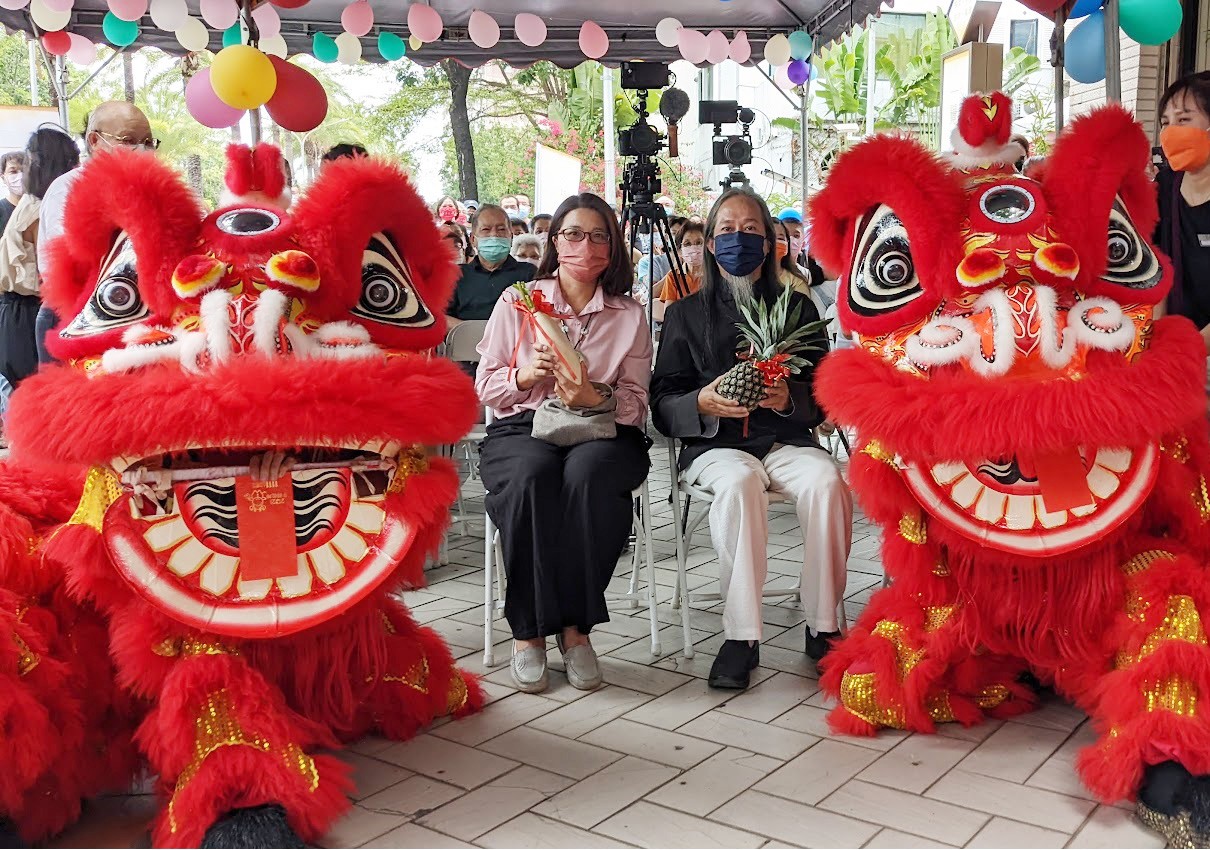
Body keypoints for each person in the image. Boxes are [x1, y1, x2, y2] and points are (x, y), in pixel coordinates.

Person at [650, 188, 852, 690]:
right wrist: (700, 402)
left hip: (784, 440)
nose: (738, 239)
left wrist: (788, 399)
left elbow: (823, 395)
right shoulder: (683, 315)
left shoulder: (798, 309)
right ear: (712, 243)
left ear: (769, 244)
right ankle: (742, 636)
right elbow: (662, 403)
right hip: (715, 447)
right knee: (739, 485)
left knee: (828, 481)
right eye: (726, 230)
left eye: (751, 231)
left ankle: (824, 624)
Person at [476, 192, 652, 694]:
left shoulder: (628, 314)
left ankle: (576, 630)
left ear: (613, 248)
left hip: (601, 429)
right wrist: (526, 375)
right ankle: (529, 632)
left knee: (589, 475)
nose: (587, 246)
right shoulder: (520, 299)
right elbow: (485, 386)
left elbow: (639, 402)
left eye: (599, 236)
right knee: (530, 476)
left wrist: (597, 394)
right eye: (574, 234)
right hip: (524, 424)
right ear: (555, 242)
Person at [37, 101, 154, 365]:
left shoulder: (147, 192)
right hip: (72, 318)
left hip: (128, 316)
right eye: (129, 139)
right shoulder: (67, 189)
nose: (142, 150)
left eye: (148, 142)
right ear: (94, 141)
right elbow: (71, 263)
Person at [0, 126, 79, 386]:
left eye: (29, 160)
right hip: (26, 309)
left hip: (29, 308)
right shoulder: (38, 204)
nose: (24, 170)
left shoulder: (39, 203)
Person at [1156, 71, 1210, 372]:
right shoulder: (1165, 187)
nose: (1171, 132)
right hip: (1178, 355)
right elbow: (1156, 267)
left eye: (1184, 119)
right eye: (1165, 123)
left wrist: (1189, 352)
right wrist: (1156, 342)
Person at [446, 203, 535, 328]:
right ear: (473, 239)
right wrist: (481, 333)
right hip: (467, 343)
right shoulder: (455, 275)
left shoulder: (528, 273)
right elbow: (441, 318)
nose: (494, 235)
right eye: (486, 230)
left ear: (511, 236)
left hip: (515, 344)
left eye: (501, 229)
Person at [653, 220, 705, 322]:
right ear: (680, 251)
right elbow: (670, 314)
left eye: (699, 243)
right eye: (687, 244)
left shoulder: (716, 275)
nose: (693, 248)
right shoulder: (673, 277)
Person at [0, 151, 28, 236]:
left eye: (24, 170)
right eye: (13, 172)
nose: (20, 176)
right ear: (3, 177)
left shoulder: (39, 208)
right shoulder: (1, 209)